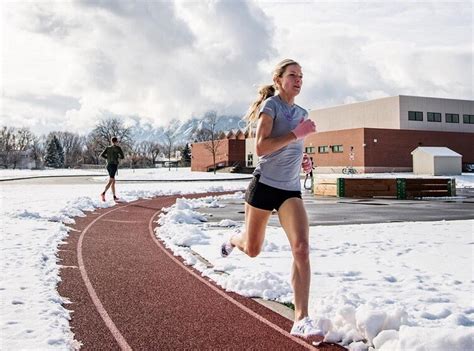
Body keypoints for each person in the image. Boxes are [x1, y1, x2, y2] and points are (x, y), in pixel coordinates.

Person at [220, 59, 320, 338]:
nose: (298, 80)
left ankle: (301, 318)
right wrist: (295, 134)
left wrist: (305, 159)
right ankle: (233, 239)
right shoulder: (271, 107)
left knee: (301, 248)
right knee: (252, 249)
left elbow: (294, 147)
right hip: (264, 186)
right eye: (292, 75)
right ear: (278, 80)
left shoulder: (302, 112)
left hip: (290, 190)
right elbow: (262, 148)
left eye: (301, 76)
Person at [100, 137, 124, 202]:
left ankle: (114, 196)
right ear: (116, 141)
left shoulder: (108, 148)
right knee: (111, 181)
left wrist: (107, 158)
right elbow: (122, 157)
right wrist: (117, 156)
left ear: (111, 141)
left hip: (108, 165)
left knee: (113, 181)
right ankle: (103, 193)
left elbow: (102, 155)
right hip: (114, 165)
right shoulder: (118, 148)